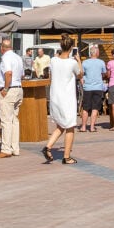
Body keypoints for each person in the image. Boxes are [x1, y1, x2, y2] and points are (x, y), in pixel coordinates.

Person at [43, 33, 83, 164]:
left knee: (60, 125)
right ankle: (67, 156)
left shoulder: (53, 60)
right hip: (67, 99)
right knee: (70, 126)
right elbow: (80, 75)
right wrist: (79, 61)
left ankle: (48, 147)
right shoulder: (72, 63)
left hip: (55, 97)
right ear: (71, 48)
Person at [0, 37, 24, 158]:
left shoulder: (6, 57)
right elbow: (21, 74)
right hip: (18, 88)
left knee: (6, 120)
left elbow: (8, 73)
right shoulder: (17, 57)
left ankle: (6, 149)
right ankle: (15, 148)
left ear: (2, 48)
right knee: (14, 120)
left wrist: (5, 88)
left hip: (9, 90)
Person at [80, 44, 107, 132]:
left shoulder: (85, 62)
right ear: (97, 53)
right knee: (95, 108)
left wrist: (82, 80)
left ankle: (83, 127)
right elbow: (104, 74)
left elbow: (81, 74)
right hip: (98, 87)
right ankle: (92, 127)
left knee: (85, 108)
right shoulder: (101, 62)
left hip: (87, 87)